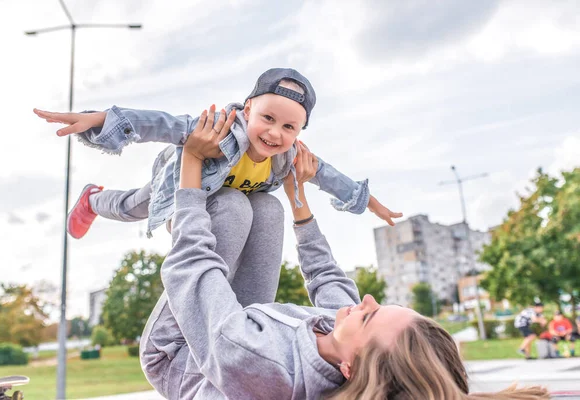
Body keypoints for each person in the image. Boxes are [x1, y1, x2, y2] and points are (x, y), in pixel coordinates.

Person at [138, 115, 549, 399]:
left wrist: (191, 166)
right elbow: (328, 279)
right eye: (382, 305)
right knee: (268, 210)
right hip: (239, 330)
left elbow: (193, 271)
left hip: (179, 353)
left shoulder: (264, 366)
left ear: (350, 369)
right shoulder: (349, 344)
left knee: (228, 206)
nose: (365, 302)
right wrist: (298, 196)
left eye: (369, 315)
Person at [34, 68, 401, 240]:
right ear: (247, 111)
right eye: (267, 119)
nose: (275, 133)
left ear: (299, 132)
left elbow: (333, 178)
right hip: (178, 187)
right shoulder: (221, 128)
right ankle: (93, 199)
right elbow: (162, 124)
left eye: (288, 128)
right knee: (133, 207)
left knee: (256, 211)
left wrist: (373, 205)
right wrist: (98, 120)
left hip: (226, 206)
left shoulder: (290, 156)